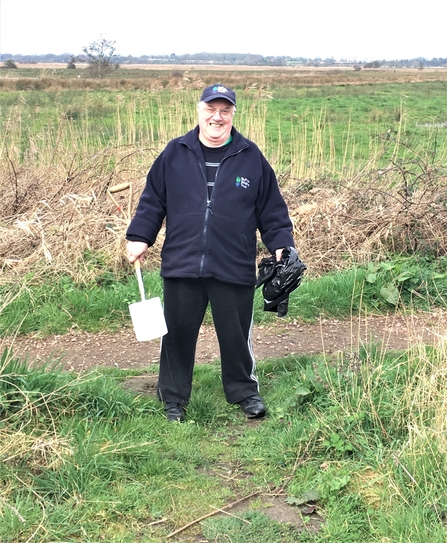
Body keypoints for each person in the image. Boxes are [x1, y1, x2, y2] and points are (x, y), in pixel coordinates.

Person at [126, 83, 295, 422]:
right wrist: (140, 237)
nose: (217, 117)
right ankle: (173, 398)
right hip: (182, 262)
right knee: (176, 334)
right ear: (199, 110)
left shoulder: (251, 157)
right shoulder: (174, 153)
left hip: (232, 263)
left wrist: (282, 246)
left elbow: (272, 211)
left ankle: (244, 392)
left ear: (232, 113)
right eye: (211, 109)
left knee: (236, 335)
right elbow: (152, 201)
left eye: (225, 110)